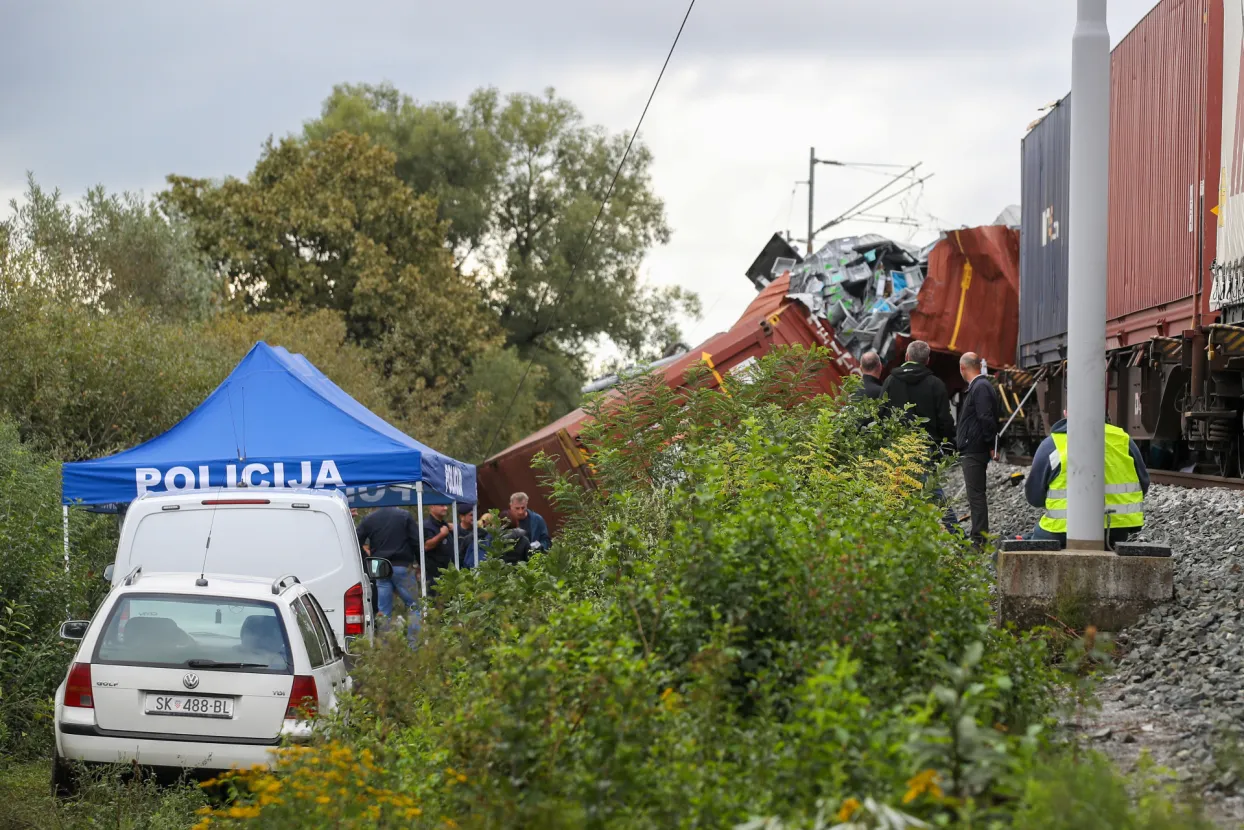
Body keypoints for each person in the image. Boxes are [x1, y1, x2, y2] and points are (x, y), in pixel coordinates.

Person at [1025, 411, 1149, 547]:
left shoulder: (1052, 444)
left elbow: (1034, 498)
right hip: (1116, 530)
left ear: (1066, 413)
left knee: (1030, 540)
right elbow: (1143, 484)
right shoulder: (1124, 440)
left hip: (1061, 530)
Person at [881, 340, 958, 532]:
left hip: (897, 447)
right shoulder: (936, 384)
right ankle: (956, 534)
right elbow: (945, 421)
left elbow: (880, 413)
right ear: (928, 360)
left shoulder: (890, 381)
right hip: (925, 448)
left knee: (897, 492)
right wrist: (946, 445)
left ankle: (897, 533)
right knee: (934, 492)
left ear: (907, 357)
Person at [956, 352, 1000, 548]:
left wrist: (991, 445)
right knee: (976, 495)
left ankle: (979, 541)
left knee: (976, 496)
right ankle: (979, 537)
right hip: (975, 447)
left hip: (975, 449)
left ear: (963, 368)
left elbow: (986, 418)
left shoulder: (980, 387)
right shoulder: (981, 386)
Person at [355, 507, 420, 618]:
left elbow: (355, 540)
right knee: (413, 605)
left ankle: (386, 634)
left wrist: (367, 557)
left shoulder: (369, 519)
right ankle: (414, 635)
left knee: (384, 609)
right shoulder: (404, 515)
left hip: (378, 564)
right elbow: (416, 542)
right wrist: (420, 564)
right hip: (401, 563)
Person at [422, 504, 456, 594]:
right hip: (434, 575)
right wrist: (441, 535)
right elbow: (426, 546)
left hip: (449, 574)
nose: (445, 508)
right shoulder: (426, 526)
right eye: (441, 505)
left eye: (445, 505)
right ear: (431, 506)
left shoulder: (445, 525)